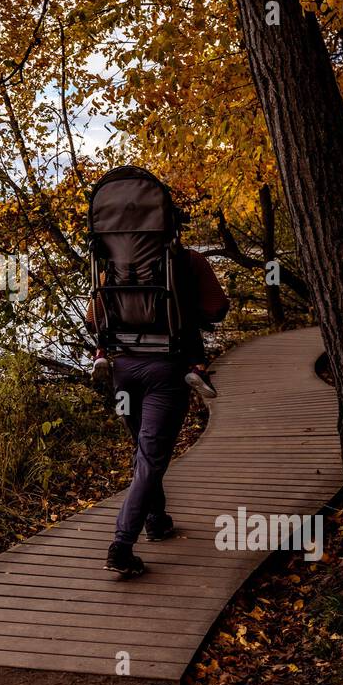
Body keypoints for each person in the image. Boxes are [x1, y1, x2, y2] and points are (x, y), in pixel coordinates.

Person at [87, 229, 229, 577]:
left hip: (123, 369)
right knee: (151, 455)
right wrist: (183, 309)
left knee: (144, 449)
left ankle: (156, 519)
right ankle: (121, 547)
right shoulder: (188, 259)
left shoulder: (119, 266)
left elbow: (93, 319)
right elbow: (216, 308)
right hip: (167, 370)